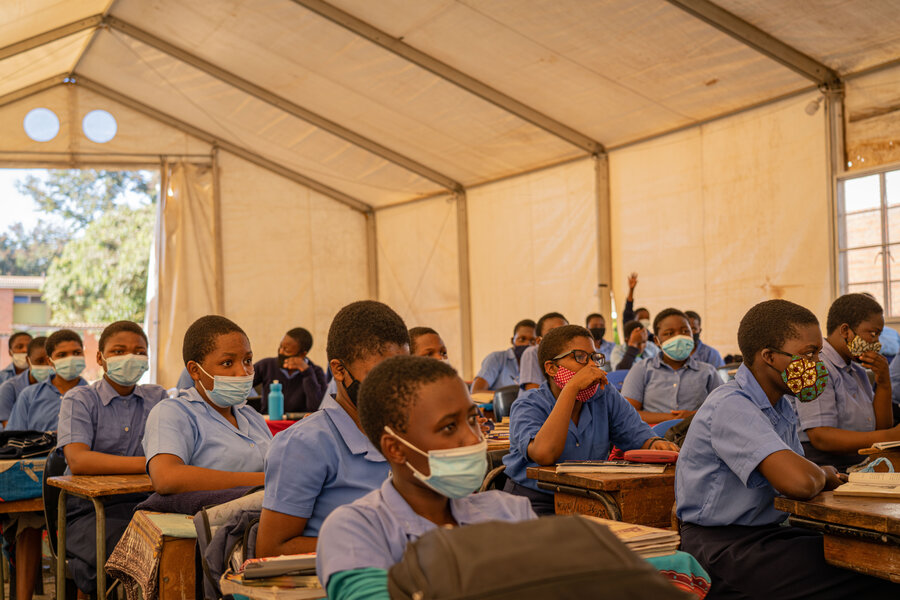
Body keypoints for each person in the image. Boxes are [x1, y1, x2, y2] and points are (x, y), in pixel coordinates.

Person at [676, 299, 895, 598]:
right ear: (768, 356)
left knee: (872, 553)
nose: (817, 364)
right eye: (808, 354)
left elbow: (803, 477)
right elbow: (800, 482)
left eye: (818, 353)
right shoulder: (731, 405)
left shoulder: (782, 407)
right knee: (871, 572)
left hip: (769, 533)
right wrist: (824, 473)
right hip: (723, 548)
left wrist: (820, 474)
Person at [316, 356, 536, 599]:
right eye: (449, 427)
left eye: (472, 419)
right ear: (396, 449)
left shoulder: (511, 512)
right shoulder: (356, 529)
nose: (474, 439)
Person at [256, 301, 409, 557]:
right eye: (380, 374)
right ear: (339, 370)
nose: (393, 386)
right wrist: (382, 544)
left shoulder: (405, 433)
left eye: (401, 373)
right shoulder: (305, 445)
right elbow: (272, 550)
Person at [503, 325, 679, 515]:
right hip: (535, 501)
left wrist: (656, 443)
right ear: (552, 368)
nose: (592, 366)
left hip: (590, 497)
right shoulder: (528, 405)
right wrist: (571, 389)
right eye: (580, 357)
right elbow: (544, 454)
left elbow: (637, 434)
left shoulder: (604, 395)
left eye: (595, 358)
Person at [58, 321, 167, 594]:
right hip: (92, 510)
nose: (130, 358)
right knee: (135, 549)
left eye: (139, 352)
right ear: (100, 357)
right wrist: (155, 464)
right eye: (119, 351)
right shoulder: (80, 399)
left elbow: (177, 452)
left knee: (187, 540)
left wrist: (165, 464)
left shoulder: (158, 398)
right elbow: (79, 461)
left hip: (149, 505)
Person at [143, 315, 273, 494]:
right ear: (195, 371)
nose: (243, 372)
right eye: (227, 363)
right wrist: (266, 480)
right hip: (207, 519)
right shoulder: (173, 413)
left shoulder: (251, 416)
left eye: (248, 361)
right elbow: (167, 478)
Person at [794, 294, 899, 471]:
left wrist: (884, 383)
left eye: (879, 335)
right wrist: (889, 436)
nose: (877, 343)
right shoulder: (814, 366)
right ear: (845, 331)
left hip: (857, 463)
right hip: (824, 468)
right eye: (873, 334)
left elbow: (881, 428)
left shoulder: (857, 371)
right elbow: (820, 436)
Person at [622, 309, 721, 424]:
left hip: (696, 435)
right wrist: (672, 418)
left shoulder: (707, 371)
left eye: (685, 331)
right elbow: (628, 412)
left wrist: (693, 415)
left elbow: (723, 406)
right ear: (656, 341)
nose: (679, 337)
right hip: (653, 437)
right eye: (669, 333)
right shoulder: (642, 369)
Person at [7, 329, 87, 431]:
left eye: (76, 353)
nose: (70, 359)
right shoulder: (29, 396)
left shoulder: (94, 396)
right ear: (50, 361)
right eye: (62, 355)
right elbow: (14, 438)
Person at [253, 327, 327, 414]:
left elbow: (316, 408)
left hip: (300, 424)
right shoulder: (266, 365)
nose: (281, 352)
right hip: (269, 424)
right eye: (280, 346)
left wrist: (307, 373)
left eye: (286, 350)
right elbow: (242, 383)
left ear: (302, 354)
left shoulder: (316, 372)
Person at [470, 319, 536, 393]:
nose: (527, 344)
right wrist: (506, 398)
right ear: (512, 340)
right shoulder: (497, 359)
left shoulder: (537, 365)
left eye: (532, 341)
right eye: (522, 339)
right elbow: (476, 391)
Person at [0, 336, 51, 427]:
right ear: (28, 360)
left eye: (49, 361)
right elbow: (9, 429)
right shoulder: (10, 387)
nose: (46, 366)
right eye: (40, 361)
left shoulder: (60, 388)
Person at [519, 313, 569, 390]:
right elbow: (533, 392)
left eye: (565, 332)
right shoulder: (532, 353)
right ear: (539, 341)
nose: (560, 337)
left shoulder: (572, 354)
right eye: (553, 332)